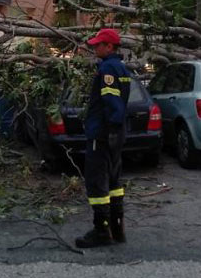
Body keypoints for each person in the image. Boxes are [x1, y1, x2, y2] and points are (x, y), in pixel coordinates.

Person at [75, 28, 131, 248]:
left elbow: (112, 102)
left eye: (98, 44)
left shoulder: (107, 68)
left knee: (97, 181)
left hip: (103, 134)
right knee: (114, 181)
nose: (94, 47)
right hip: (115, 133)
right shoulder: (122, 68)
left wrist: (111, 129)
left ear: (109, 47)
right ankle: (117, 228)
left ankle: (101, 231)